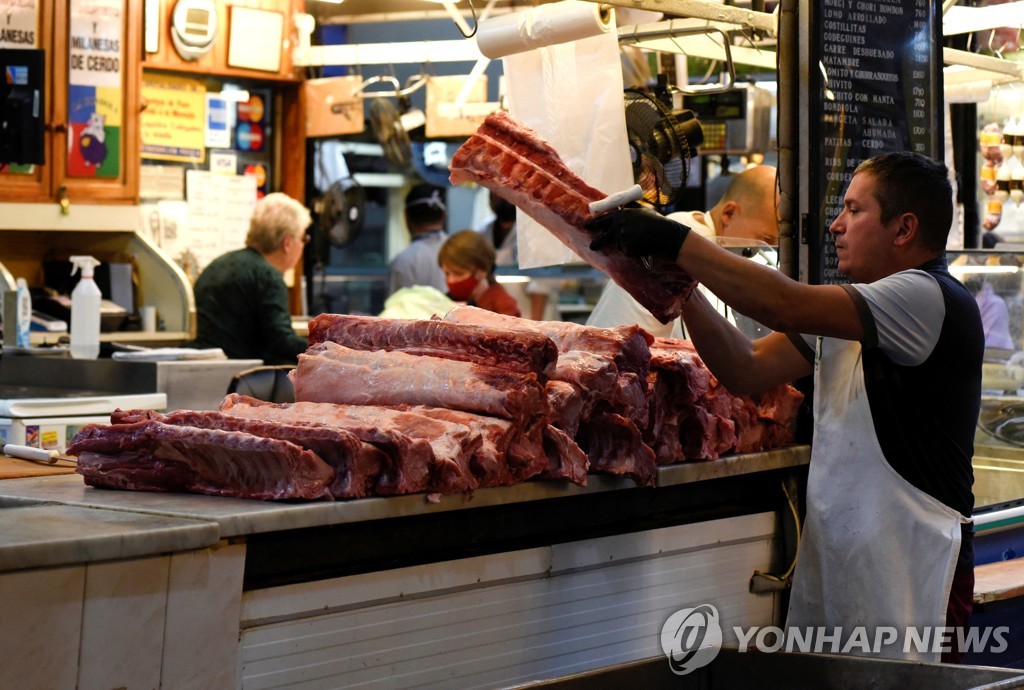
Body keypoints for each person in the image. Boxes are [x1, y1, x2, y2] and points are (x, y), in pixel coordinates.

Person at [587, 151, 982, 663]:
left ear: (904, 228)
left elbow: (783, 303)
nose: (836, 225)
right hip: (847, 561)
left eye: (854, 211)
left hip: (916, 567)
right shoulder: (857, 309)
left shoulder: (929, 297)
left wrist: (675, 241)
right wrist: (678, 289)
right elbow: (746, 366)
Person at [587, 165, 779, 338]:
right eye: (767, 239)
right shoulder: (689, 240)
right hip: (618, 361)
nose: (765, 249)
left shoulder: (687, 228)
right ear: (729, 213)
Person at [193, 192, 311, 363]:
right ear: (287, 243)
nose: (302, 246)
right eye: (303, 238)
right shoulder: (268, 276)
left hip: (205, 369)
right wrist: (326, 351)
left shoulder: (217, 265)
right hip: (240, 377)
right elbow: (281, 342)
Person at [476, 189, 559, 320]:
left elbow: (541, 285)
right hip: (501, 315)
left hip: (535, 316)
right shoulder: (483, 230)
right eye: (495, 198)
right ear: (490, 203)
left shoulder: (534, 229)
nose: (500, 202)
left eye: (504, 197)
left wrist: (534, 327)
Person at [438, 230, 520, 316]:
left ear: (482, 271)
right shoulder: (448, 301)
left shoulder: (504, 307)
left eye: (459, 273)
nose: (451, 280)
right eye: (447, 274)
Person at [387, 183, 449, 296]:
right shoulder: (464, 252)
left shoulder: (404, 261)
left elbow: (394, 310)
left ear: (406, 216)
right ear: (444, 215)